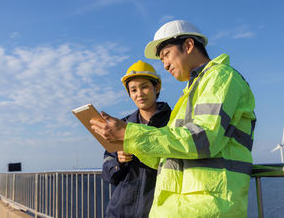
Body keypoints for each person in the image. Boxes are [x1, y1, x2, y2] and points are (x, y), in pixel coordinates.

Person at [91, 20, 256, 217]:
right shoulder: (190, 92)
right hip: (179, 209)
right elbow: (166, 158)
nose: (165, 64)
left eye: (166, 55)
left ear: (188, 45)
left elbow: (202, 139)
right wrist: (126, 141)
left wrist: (130, 133)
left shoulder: (220, 77)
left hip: (207, 208)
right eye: (161, 60)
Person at [102, 60, 171, 218]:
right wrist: (119, 161)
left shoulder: (174, 122)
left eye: (145, 87)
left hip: (157, 211)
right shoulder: (122, 125)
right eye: (133, 90)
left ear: (157, 87)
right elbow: (107, 174)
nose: (139, 94)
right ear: (129, 94)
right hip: (119, 211)